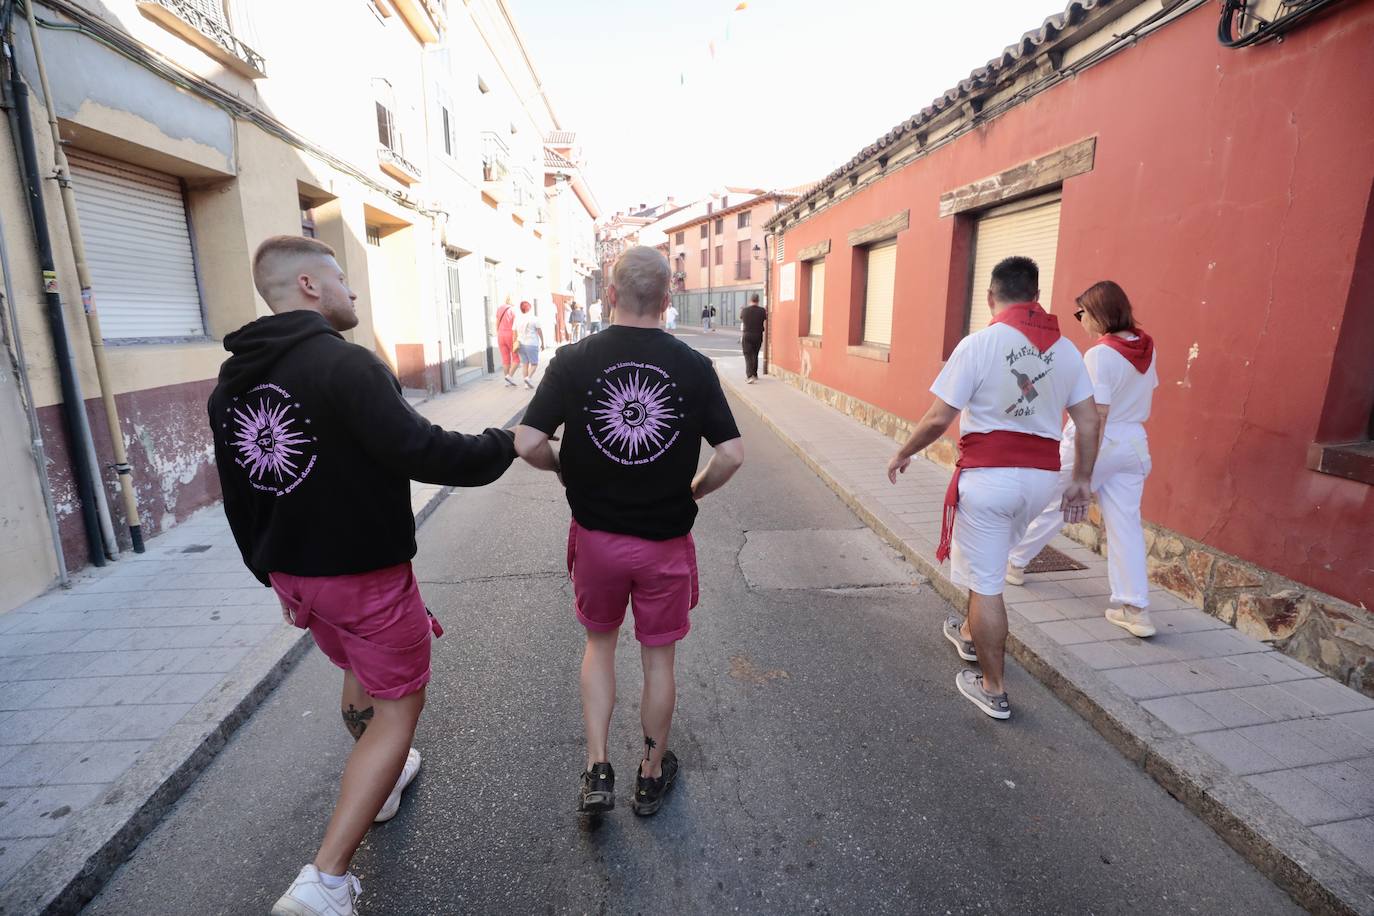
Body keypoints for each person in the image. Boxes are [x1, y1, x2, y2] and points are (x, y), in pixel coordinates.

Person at [208, 236, 516, 915]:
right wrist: (504, 443)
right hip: (364, 577)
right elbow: (422, 449)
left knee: (361, 673)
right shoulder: (344, 366)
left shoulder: (232, 383)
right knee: (400, 706)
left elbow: (239, 492)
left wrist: (271, 571)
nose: (353, 292)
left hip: (300, 580)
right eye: (343, 279)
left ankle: (385, 784)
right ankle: (325, 878)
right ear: (311, 288)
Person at [515, 246, 744, 818]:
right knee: (658, 660)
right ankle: (648, 774)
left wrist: (562, 466)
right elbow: (733, 455)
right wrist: (693, 489)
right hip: (665, 541)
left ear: (610, 294)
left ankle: (597, 768)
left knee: (599, 646)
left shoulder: (571, 360)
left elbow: (526, 441)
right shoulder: (694, 365)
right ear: (668, 301)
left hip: (596, 538)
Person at [885, 256, 1099, 721]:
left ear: (990, 298)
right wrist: (1081, 480)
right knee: (991, 561)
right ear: (1036, 297)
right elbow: (1086, 421)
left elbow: (940, 417)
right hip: (1042, 480)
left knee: (987, 583)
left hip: (989, 477)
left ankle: (994, 687)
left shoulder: (979, 343)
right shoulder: (1067, 351)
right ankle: (968, 633)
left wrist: (904, 452)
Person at [1007, 281, 1158, 637]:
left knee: (1052, 502)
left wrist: (1084, 473)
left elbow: (1098, 415)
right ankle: (1135, 608)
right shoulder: (1147, 346)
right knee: (1126, 525)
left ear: (1099, 313)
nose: (1080, 321)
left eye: (1082, 314)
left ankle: (1013, 561)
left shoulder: (1101, 355)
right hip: (1134, 443)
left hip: (1099, 440)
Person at [514, 300, 544, 389]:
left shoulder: (517, 319)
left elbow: (514, 331)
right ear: (530, 308)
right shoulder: (534, 318)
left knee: (525, 364)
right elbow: (539, 331)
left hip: (520, 343)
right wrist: (543, 342)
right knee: (534, 364)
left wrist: (515, 341)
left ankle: (526, 384)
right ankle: (528, 378)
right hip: (532, 343)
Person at [740, 293, 766, 383]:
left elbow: (741, 318)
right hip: (758, 335)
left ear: (750, 300)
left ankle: (749, 375)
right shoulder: (762, 310)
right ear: (758, 300)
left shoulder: (745, 310)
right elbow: (764, 318)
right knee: (755, 354)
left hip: (747, 335)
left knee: (748, 355)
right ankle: (754, 374)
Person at [496, 298, 520, 387]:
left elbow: (497, 322)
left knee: (505, 358)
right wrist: (517, 338)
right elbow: (515, 326)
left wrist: (498, 332)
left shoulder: (500, 308)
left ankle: (507, 380)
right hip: (510, 334)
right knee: (516, 358)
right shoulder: (513, 310)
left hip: (500, 334)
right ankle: (509, 376)